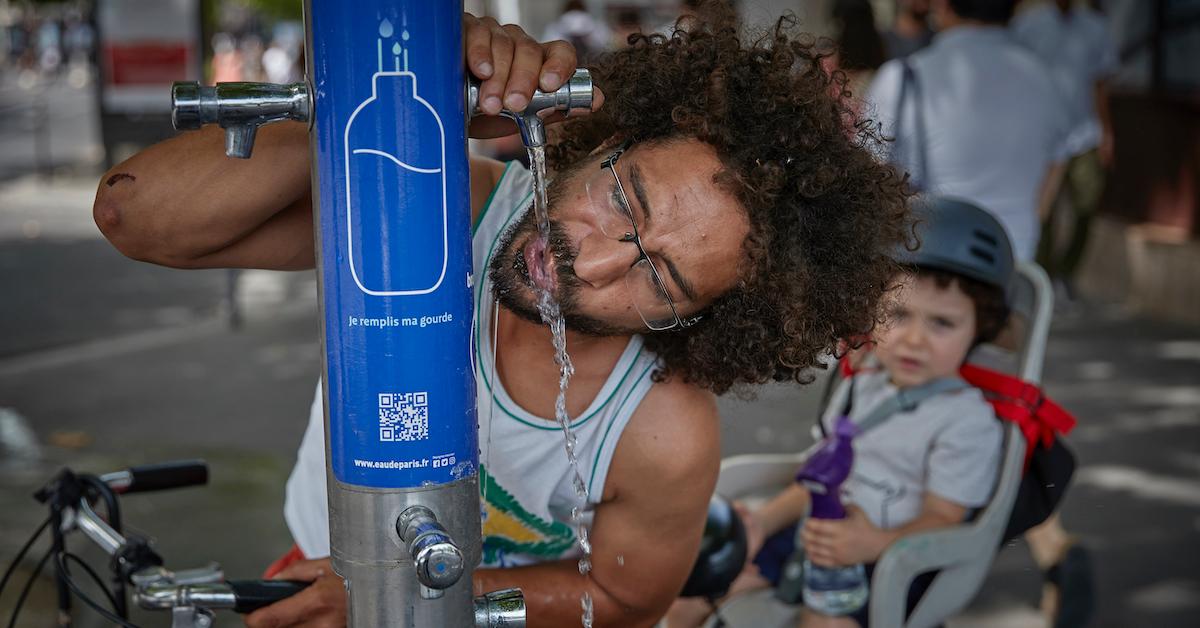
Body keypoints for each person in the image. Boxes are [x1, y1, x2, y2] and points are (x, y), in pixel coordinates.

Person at [93, 7, 910, 627]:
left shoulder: (661, 427)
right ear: (603, 140)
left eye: (658, 280)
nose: (588, 262)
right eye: (623, 199)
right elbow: (139, 218)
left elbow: (622, 597)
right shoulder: (441, 211)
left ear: (702, 321)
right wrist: (407, 111)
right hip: (313, 574)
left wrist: (395, 590)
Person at [666, 197, 1009, 628]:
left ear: (981, 328)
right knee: (687, 596)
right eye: (898, 314)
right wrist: (764, 521)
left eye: (942, 323)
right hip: (813, 534)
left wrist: (871, 544)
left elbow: (944, 519)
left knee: (823, 622)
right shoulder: (865, 384)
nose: (915, 339)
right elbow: (820, 477)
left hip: (888, 559)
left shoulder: (965, 422)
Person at [865, 0, 1073, 262]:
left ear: (942, 6)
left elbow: (868, 174)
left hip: (924, 262)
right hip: (1012, 261)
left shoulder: (903, 77)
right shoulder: (1046, 81)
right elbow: (1057, 162)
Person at [1012, 0, 1118, 298]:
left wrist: (1107, 131)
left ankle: (1065, 273)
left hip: (1084, 133)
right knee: (1043, 209)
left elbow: (1101, 83)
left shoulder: (1095, 26)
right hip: (1042, 133)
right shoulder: (1030, 25)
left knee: (1088, 202)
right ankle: (1042, 278)